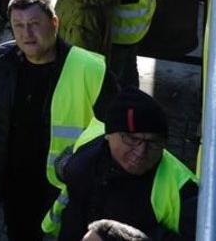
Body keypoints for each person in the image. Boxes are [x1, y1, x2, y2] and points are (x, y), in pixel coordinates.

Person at [0, 0, 116, 241]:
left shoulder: (90, 69)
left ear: (54, 24)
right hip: (10, 182)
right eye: (18, 26)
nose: (26, 34)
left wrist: (78, 170)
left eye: (34, 24)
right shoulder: (0, 60)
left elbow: (112, 131)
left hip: (61, 188)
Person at [52, 89, 198, 240]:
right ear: (108, 135)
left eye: (153, 142)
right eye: (132, 140)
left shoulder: (184, 190)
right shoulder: (86, 149)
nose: (141, 152)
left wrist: (126, 237)